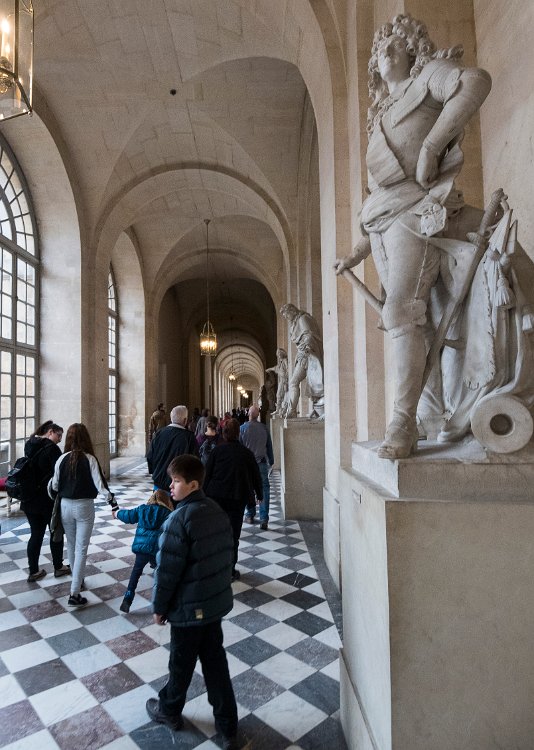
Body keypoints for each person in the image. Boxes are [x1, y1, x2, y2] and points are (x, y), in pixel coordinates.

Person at [334, 14, 492, 458]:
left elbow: (476, 81)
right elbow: (378, 197)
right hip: (387, 220)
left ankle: (401, 424)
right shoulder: (380, 114)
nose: (384, 54)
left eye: (394, 46)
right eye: (379, 50)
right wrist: (357, 252)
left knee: (401, 309)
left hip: (420, 210)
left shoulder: (427, 78)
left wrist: (432, 145)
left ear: (412, 51)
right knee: (411, 318)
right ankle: (427, 412)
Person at [146, 454, 238, 750]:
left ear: (193, 484)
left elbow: (167, 570)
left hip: (188, 608)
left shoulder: (178, 519)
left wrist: (160, 607)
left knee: (181, 663)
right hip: (212, 605)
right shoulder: (216, 510)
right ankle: (228, 727)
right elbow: (226, 558)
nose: (170, 486)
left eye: (176, 481)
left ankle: (169, 709)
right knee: (216, 666)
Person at [49, 423, 117, 607]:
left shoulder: (62, 458)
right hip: (84, 506)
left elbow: (54, 485)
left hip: (65, 505)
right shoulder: (90, 459)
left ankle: (77, 581)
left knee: (71, 545)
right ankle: (74, 593)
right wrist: (113, 503)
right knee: (81, 548)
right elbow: (101, 486)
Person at [204, 419, 262, 580]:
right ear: (238, 434)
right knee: (233, 535)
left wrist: (202, 495)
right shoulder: (246, 453)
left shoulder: (217, 451)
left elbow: (207, 475)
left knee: (217, 533)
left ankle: (217, 568)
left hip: (216, 498)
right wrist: (260, 494)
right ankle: (230, 570)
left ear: (223, 433)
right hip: (237, 498)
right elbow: (255, 475)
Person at [21, 420, 70, 583]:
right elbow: (59, 475)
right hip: (47, 500)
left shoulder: (29, 444)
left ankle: (33, 571)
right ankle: (58, 567)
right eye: (58, 435)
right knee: (56, 532)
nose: (60, 439)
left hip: (29, 498)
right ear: (50, 432)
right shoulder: (52, 449)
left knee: (35, 534)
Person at [113, 489, 173, 613]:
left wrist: (117, 513)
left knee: (136, 572)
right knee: (160, 573)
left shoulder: (142, 509)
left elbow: (128, 516)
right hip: (157, 550)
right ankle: (160, 601)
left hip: (141, 550)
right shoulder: (168, 513)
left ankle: (128, 597)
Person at [280, 303, 324, 419]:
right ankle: (316, 409)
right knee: (311, 382)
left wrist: (307, 348)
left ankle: (292, 411)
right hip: (303, 354)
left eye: (286, 315)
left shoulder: (303, 319)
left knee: (294, 382)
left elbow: (309, 335)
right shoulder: (296, 321)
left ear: (292, 311)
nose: (287, 318)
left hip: (306, 355)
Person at [146, 405, 198, 500]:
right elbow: (194, 462)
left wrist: (156, 472)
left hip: (159, 484)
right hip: (179, 487)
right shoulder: (189, 437)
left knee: (160, 508)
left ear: (171, 418)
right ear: (185, 420)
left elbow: (150, 456)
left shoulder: (158, 434)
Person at [240, 404, 274, 530]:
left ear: (248, 414)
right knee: (264, 489)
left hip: (247, 464)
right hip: (261, 463)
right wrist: (271, 460)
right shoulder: (264, 428)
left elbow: (240, 447)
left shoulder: (242, 429)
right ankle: (264, 518)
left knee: (248, 488)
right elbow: (269, 446)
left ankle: (250, 514)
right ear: (258, 415)